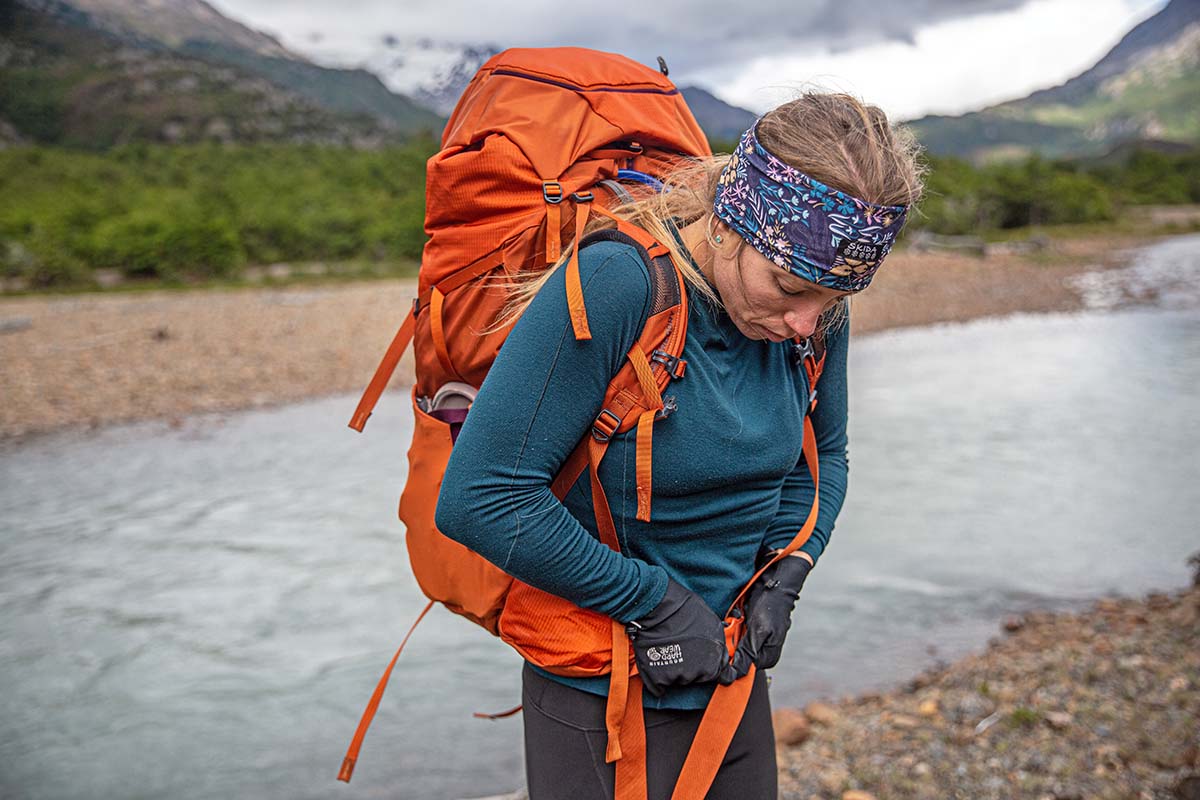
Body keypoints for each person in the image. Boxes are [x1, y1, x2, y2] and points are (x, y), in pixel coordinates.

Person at [434, 93, 924, 799]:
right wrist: (653, 602)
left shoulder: (814, 318)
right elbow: (482, 497)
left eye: (835, 298)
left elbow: (826, 456)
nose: (804, 322)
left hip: (729, 671)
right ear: (729, 226)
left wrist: (787, 568)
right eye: (788, 287)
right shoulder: (617, 284)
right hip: (599, 685)